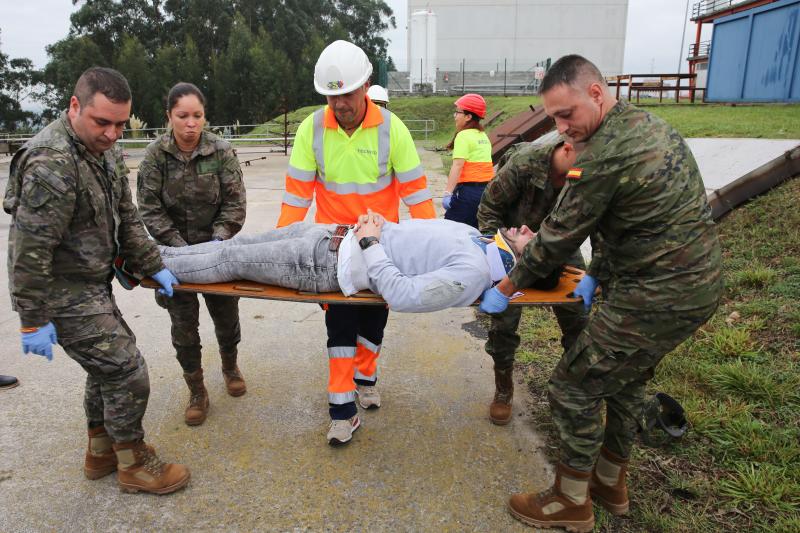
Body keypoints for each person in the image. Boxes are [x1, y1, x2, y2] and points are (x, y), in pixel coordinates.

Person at [479, 55, 722, 532]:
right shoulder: (646, 125)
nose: (561, 127)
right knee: (625, 380)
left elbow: (556, 240)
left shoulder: (605, 152)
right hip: (689, 284)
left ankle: (570, 500)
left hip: (657, 293)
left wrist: (505, 288)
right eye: (553, 119)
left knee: (572, 386)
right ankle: (610, 482)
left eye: (567, 114)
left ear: (596, 93)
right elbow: (626, 224)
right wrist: (601, 271)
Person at [4, 67, 190, 494]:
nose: (111, 133)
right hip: (61, 291)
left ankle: (101, 451)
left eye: (120, 124)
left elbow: (126, 218)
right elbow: (29, 251)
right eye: (101, 122)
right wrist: (33, 318)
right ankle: (133, 463)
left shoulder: (103, 151)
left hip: (91, 284)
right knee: (126, 370)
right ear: (75, 106)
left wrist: (152, 264)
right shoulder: (52, 164)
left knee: (105, 368)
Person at [278, 40, 436, 445]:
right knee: (340, 323)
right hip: (331, 250)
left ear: (366, 85)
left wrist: (432, 249)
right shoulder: (311, 129)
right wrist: (281, 250)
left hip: (381, 246)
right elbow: (296, 197)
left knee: (375, 320)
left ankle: (367, 377)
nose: (340, 103)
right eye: (331, 95)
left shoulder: (390, 128)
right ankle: (342, 410)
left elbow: (417, 195)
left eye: (346, 93)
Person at [137, 82, 247, 427]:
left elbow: (235, 203)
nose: (190, 123)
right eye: (182, 116)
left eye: (197, 115)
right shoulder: (156, 156)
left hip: (217, 253)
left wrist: (217, 241)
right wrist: (181, 251)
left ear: (204, 116)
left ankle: (230, 366)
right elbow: (149, 209)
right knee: (184, 327)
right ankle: (196, 390)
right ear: (169, 116)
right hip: (176, 257)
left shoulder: (221, 151)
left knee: (226, 319)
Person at [477, 135, 588, 425]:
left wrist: (594, 272)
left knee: (578, 315)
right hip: (514, 240)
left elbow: (593, 220)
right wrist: (499, 255)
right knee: (504, 319)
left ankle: (576, 390)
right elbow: (488, 208)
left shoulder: (586, 171)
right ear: (567, 148)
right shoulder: (525, 163)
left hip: (559, 245)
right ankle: (503, 388)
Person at [442, 93, 494, 229]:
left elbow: (458, 166)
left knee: (451, 230)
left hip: (467, 193)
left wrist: (448, 192)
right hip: (486, 192)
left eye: (457, 112)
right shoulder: (483, 136)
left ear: (468, 116)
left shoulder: (463, 136)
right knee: (475, 232)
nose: (455, 116)